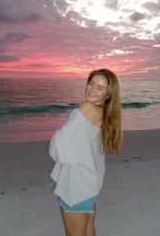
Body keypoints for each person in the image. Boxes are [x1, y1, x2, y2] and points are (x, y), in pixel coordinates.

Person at [49, 69, 122, 236]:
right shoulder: (103, 112)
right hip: (89, 185)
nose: (92, 90)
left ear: (108, 94)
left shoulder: (88, 108)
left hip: (77, 187)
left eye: (100, 88)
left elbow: (58, 147)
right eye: (91, 83)